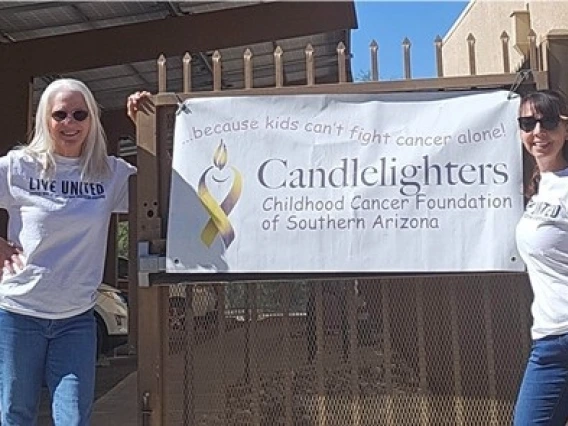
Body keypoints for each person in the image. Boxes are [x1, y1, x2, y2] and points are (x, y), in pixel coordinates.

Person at [0, 78, 142, 425]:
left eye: (80, 114)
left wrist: (148, 127)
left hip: (77, 319)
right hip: (19, 314)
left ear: (92, 119)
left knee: (74, 417)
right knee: (16, 415)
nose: (70, 124)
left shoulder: (109, 172)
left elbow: (167, 187)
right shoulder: (18, 167)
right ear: (44, 120)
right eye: (60, 114)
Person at [514, 89, 568, 425]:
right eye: (528, 122)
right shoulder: (537, 187)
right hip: (549, 343)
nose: (538, 132)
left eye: (548, 121)